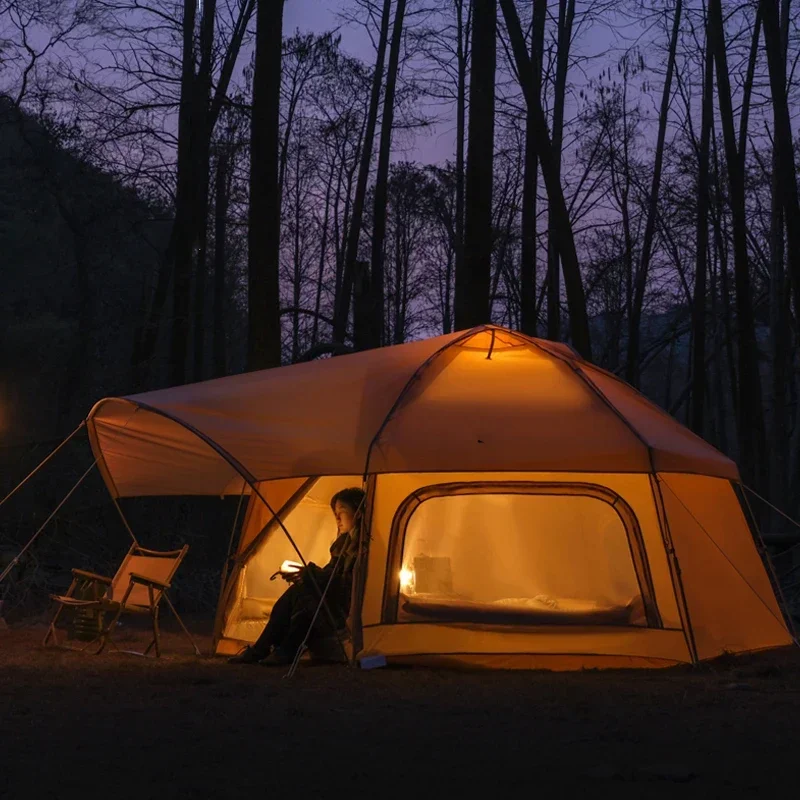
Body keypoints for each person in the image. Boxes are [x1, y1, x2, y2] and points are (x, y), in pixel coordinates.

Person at [228, 487, 366, 666]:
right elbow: (330, 574)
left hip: (345, 607)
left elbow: (344, 584)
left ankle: (274, 650)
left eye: (343, 512)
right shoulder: (342, 543)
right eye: (335, 513)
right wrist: (306, 575)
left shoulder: (364, 546)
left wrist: (311, 574)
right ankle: (270, 650)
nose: (337, 518)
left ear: (358, 512)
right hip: (333, 600)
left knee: (304, 596)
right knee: (299, 591)